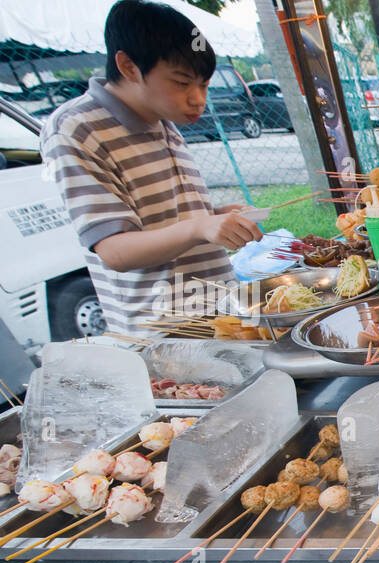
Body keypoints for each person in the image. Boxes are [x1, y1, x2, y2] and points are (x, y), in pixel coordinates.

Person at [40, 0, 261, 336]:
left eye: (203, 85)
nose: (198, 98)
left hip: (219, 310)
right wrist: (199, 227)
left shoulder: (161, 118)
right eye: (182, 82)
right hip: (166, 331)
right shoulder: (77, 128)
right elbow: (114, 250)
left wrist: (214, 215)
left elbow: (164, 218)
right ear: (128, 66)